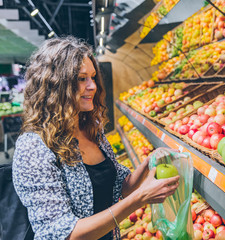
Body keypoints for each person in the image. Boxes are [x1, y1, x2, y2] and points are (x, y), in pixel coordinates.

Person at [12, 36, 180, 240]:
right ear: (56, 86)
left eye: (93, 77)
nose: (92, 86)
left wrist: (148, 163)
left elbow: (120, 186)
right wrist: (140, 199)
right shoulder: (34, 147)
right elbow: (62, 233)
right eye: (82, 79)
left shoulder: (92, 130)